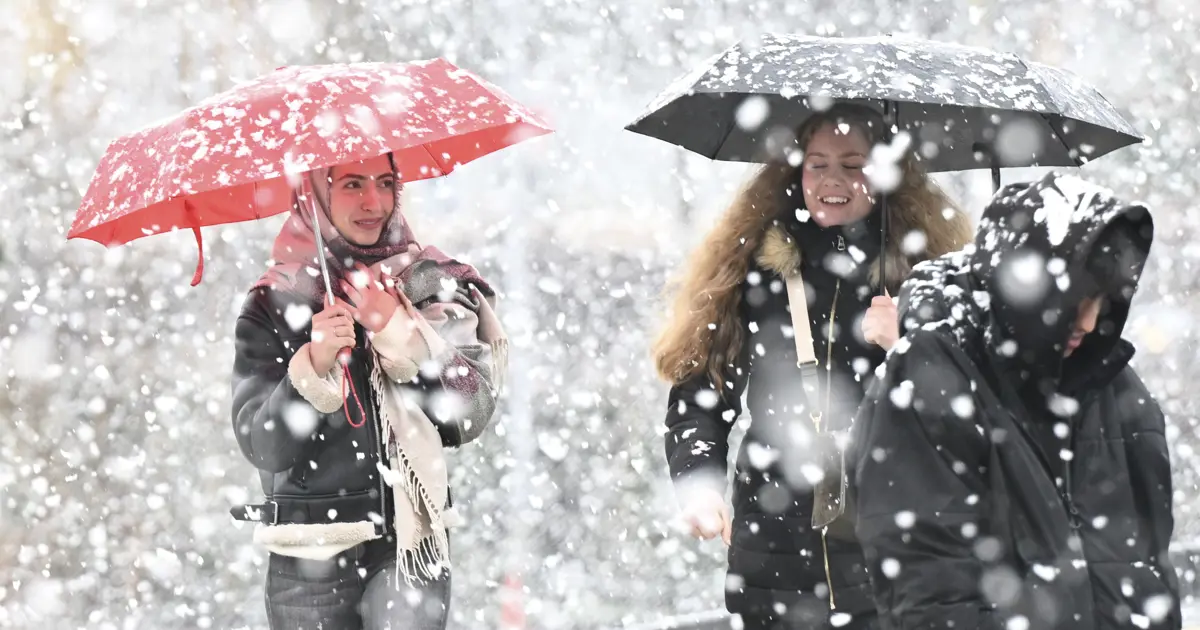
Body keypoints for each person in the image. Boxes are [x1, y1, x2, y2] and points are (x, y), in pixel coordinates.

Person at [653, 103, 973, 629]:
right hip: (772, 557)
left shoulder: (929, 279)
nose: (832, 180)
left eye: (853, 165)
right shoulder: (754, 270)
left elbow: (967, 415)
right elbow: (702, 389)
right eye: (817, 163)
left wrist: (906, 345)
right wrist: (701, 483)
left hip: (892, 552)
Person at [851, 172, 1181, 630]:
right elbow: (930, 588)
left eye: (1102, 301)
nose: (1089, 323)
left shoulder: (1116, 386)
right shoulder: (932, 376)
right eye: (1076, 299)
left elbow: (1149, 570)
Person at [228, 153, 507, 630]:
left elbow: (468, 413)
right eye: (352, 184)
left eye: (385, 182)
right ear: (314, 194)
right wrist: (313, 366)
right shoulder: (275, 301)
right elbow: (264, 445)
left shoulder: (431, 283)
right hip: (309, 558)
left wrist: (398, 330)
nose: (374, 202)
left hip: (409, 549)